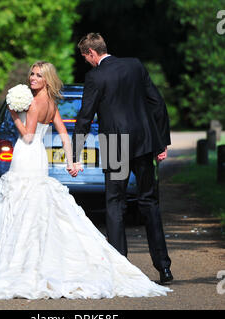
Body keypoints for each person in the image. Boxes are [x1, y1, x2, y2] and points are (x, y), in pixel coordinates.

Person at [0, 61, 172, 300]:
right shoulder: (52, 104)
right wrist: (72, 160)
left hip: (27, 156)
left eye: (38, 75)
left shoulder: (33, 104)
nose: (32, 78)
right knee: (36, 206)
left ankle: (22, 264)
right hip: (39, 160)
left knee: (21, 207)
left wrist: (14, 115)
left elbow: (29, 135)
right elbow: (64, 134)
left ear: (46, 80)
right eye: (31, 74)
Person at [72, 33, 173, 284]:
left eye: (85, 58)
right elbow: (157, 103)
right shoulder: (135, 65)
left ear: (91, 53)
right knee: (149, 202)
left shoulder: (95, 76)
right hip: (144, 142)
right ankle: (164, 267)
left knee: (116, 203)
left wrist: (76, 153)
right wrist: (161, 142)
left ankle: (120, 269)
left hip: (115, 144)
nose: (87, 62)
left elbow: (85, 117)